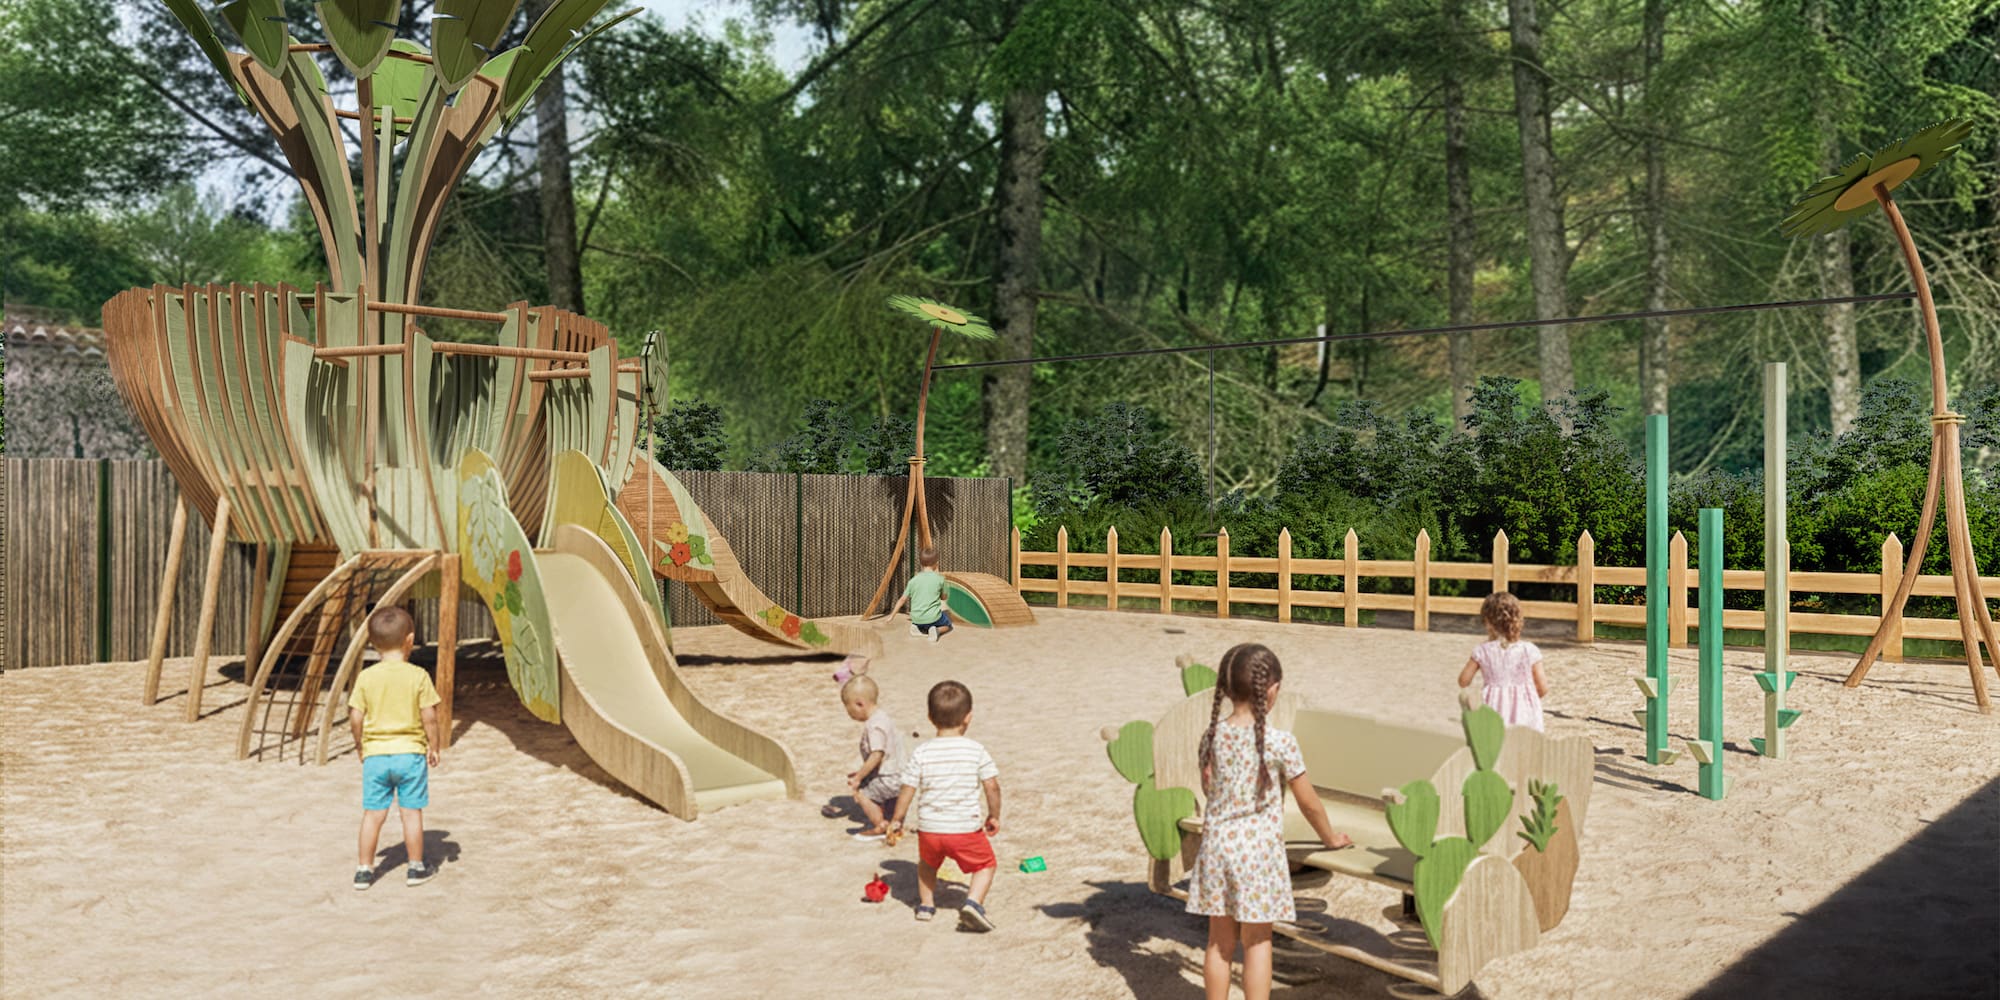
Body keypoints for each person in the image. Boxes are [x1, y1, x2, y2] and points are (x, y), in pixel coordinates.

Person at [1186, 644, 1352, 1000]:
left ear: (1226, 690)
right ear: (1272, 689)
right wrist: (1330, 838)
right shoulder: (1279, 742)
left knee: (1218, 943)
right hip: (1257, 858)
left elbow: (1208, 786)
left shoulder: (1211, 736)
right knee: (1258, 943)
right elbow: (1308, 802)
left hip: (1217, 850)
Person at [887, 680, 1000, 931]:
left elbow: (908, 787)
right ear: (968, 717)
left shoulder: (922, 752)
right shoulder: (976, 750)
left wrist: (898, 819)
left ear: (930, 717)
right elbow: (991, 786)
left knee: (927, 864)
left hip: (930, 829)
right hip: (964, 828)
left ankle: (926, 906)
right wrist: (994, 815)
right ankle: (973, 903)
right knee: (985, 865)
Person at [347, 605, 443, 890]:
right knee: (410, 812)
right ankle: (415, 867)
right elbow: (430, 717)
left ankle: (364, 869)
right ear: (410, 640)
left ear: (372, 643)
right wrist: (434, 746)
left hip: (376, 755)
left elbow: (355, 717)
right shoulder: (418, 676)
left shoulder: (366, 677)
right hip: (409, 754)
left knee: (373, 813)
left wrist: (360, 745)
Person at [1457, 591, 1548, 731]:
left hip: (1493, 709)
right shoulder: (1529, 650)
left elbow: (1463, 680)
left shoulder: (1482, 651)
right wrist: (1525, 696)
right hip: (1525, 712)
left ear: (1488, 623)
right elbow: (1542, 688)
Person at [828, 675, 904, 839]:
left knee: (862, 793)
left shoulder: (873, 726)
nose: (849, 713)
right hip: (899, 774)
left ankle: (880, 826)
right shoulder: (883, 717)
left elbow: (877, 754)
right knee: (881, 790)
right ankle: (893, 822)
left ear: (859, 704)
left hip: (888, 778)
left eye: (848, 708)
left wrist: (858, 778)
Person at [887, 547, 952, 642]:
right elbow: (944, 597)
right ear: (936, 564)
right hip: (933, 619)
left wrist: (891, 616)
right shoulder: (940, 579)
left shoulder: (913, 581)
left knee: (920, 621)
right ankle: (936, 630)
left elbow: (902, 599)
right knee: (947, 625)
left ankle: (915, 627)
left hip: (917, 619)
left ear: (921, 564)